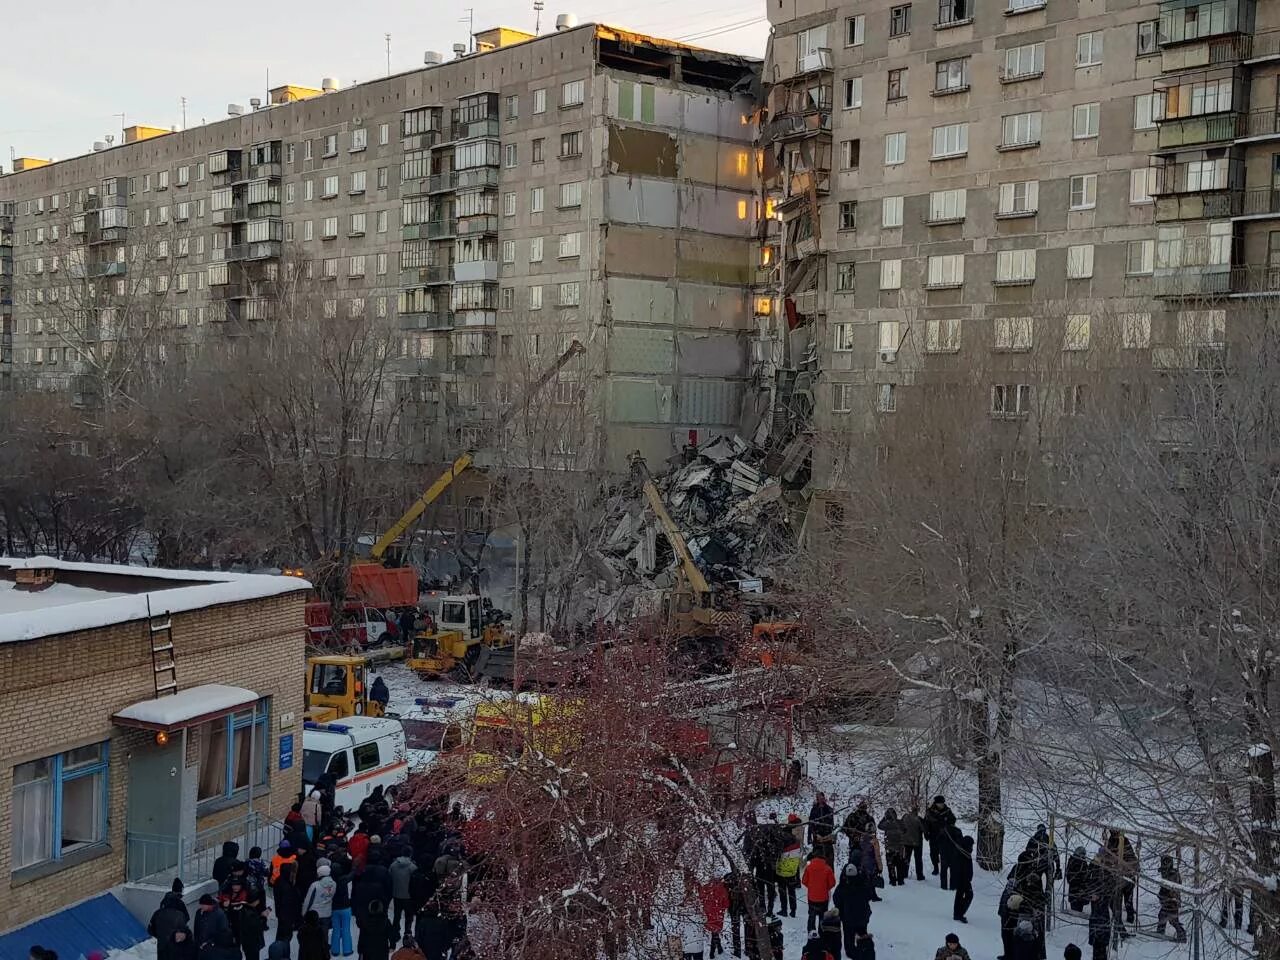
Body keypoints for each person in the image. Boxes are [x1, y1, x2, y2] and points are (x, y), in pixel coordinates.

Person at [834, 863, 873, 957]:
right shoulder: (863, 884)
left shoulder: (842, 887)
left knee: (848, 937)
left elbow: (836, 899)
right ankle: (864, 949)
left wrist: (841, 911)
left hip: (848, 918)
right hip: (862, 916)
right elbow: (869, 895)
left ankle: (851, 953)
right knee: (862, 932)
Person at [802, 850, 837, 934]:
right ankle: (822, 933)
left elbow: (804, 881)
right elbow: (832, 883)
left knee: (811, 916)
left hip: (812, 897)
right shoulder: (827, 868)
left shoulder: (809, 868)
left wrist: (811, 887)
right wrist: (825, 888)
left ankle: (811, 932)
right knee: (822, 916)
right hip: (823, 898)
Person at [151, 883, 191, 953]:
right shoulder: (180, 904)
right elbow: (186, 918)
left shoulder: (163, 903)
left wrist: (160, 935)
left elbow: (152, 928)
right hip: (175, 943)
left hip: (162, 943)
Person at [923, 797, 957, 881]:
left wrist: (947, 822)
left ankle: (943, 869)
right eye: (939, 803)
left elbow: (953, 820)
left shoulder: (947, 811)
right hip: (933, 835)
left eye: (942, 803)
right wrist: (926, 833)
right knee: (933, 853)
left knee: (944, 854)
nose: (941, 805)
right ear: (936, 803)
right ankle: (935, 867)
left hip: (944, 836)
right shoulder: (930, 811)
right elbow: (926, 823)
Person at [1157, 855, 1187, 941]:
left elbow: (1170, 887)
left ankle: (1181, 934)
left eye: (1165, 863)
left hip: (1172, 901)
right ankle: (1160, 932)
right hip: (1167, 900)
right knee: (1162, 916)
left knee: (1173, 920)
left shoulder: (1173, 874)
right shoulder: (1166, 872)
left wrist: (1164, 894)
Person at [273, 862, 303, 944]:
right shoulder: (289, 886)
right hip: (287, 914)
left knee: (281, 934)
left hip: (281, 912)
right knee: (286, 937)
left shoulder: (278, 881)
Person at [699, 876, 729, 959]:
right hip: (718, 913)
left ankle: (718, 948)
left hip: (709, 913)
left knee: (714, 931)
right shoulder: (722, 889)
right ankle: (713, 951)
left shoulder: (706, 888)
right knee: (715, 931)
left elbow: (701, 898)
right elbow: (726, 904)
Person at [389, 850, 418, 939]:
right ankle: (407, 933)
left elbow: (389, 877)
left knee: (396, 916)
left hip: (396, 894)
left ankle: (395, 933)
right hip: (408, 896)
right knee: (409, 917)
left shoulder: (393, 865)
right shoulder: (413, 867)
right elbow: (415, 882)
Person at [330, 857, 355, 958]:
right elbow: (351, 875)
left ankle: (335, 950)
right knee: (346, 929)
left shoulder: (330, 882)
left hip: (334, 908)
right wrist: (354, 867)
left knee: (335, 929)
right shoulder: (343, 879)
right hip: (345, 907)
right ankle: (347, 950)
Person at [775, 829, 803, 918]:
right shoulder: (795, 843)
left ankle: (784, 910)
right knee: (792, 891)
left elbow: (778, 854)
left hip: (782, 872)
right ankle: (793, 910)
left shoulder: (782, 843)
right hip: (792, 871)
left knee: (782, 891)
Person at [303, 864, 337, 932]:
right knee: (324, 935)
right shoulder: (334, 884)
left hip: (314, 915)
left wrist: (304, 913)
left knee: (314, 936)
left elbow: (308, 901)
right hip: (327, 914)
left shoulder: (315, 885)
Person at [878, 809, 906, 887]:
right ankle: (901, 880)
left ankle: (893, 880)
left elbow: (879, 826)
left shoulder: (887, 824)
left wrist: (884, 818)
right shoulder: (900, 822)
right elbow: (905, 830)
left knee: (891, 865)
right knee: (900, 864)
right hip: (899, 847)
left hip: (890, 848)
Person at [951, 835, 975, 923]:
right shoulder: (961, 853)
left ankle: (958, 913)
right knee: (965, 895)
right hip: (962, 879)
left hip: (965, 879)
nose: (972, 848)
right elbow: (960, 868)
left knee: (961, 895)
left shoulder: (964, 852)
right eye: (971, 845)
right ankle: (958, 914)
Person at [809, 793, 837, 867]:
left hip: (827, 840)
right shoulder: (814, 810)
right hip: (817, 841)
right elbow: (811, 825)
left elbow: (831, 825)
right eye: (819, 798)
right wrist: (815, 835)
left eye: (822, 798)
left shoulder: (829, 809)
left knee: (829, 863)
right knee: (817, 862)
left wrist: (828, 836)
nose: (821, 800)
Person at [1087, 889, 1112, 960]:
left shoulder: (1102, 908)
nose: (1092, 897)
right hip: (1097, 937)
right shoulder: (1095, 906)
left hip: (1100, 938)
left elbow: (1105, 924)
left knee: (1100, 954)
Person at [901, 808, 925, 881]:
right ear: (916, 812)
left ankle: (904, 873)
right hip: (917, 842)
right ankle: (919, 876)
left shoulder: (905, 817)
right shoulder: (918, 819)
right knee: (918, 859)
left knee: (906, 858)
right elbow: (923, 829)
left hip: (907, 842)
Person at [1066, 847, 1092, 913]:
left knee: (1079, 903)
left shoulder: (1082, 861)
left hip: (1080, 887)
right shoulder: (1074, 861)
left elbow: (1086, 873)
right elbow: (1070, 874)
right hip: (1075, 886)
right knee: (1075, 904)